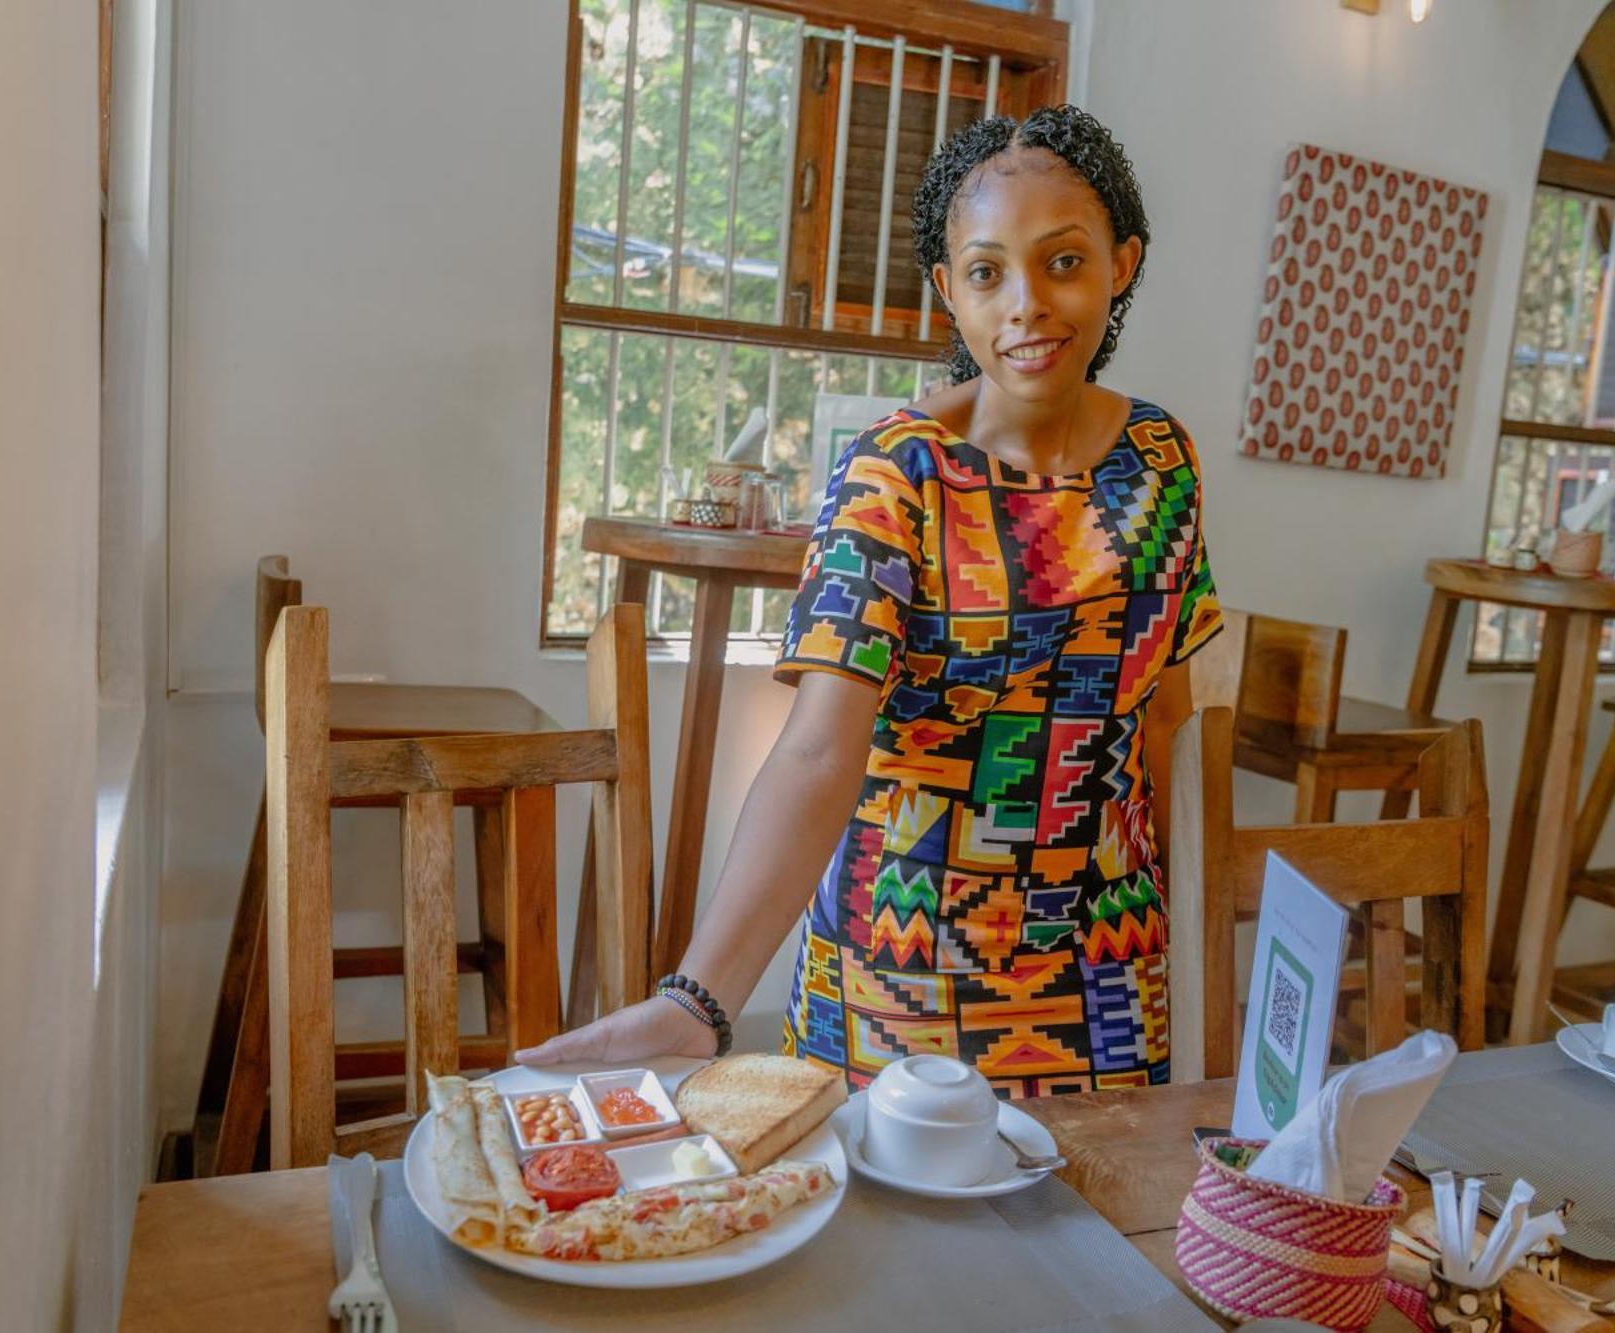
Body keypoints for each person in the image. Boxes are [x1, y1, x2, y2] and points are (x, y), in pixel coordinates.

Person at [520, 104, 1220, 1097]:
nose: (1023, 303)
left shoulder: (1162, 460)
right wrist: (699, 998)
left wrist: (1203, 980)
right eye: (986, 272)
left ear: (1122, 263)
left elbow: (1163, 725)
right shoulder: (897, 471)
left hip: (1109, 973)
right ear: (948, 290)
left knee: (1090, 1245)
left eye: (1061, 261)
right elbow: (817, 748)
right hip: (901, 981)